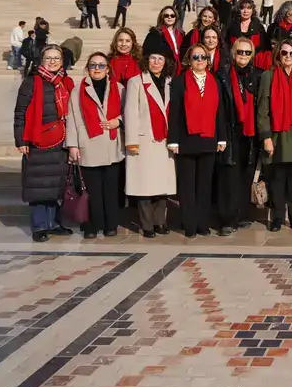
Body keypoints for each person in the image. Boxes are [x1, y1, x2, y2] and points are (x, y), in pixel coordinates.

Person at [14, 44, 76, 242]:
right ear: (41, 60)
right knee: (38, 185)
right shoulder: (31, 82)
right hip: (38, 140)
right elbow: (20, 112)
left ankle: (54, 223)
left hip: (61, 141)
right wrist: (21, 139)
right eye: (48, 58)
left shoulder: (66, 82)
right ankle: (39, 226)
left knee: (55, 185)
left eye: (56, 58)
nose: (52, 61)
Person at [167, 44, 228, 238]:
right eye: (196, 57)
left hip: (209, 138)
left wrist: (222, 137)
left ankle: (203, 223)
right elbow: (174, 113)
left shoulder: (214, 81)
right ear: (189, 60)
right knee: (187, 186)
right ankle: (189, 224)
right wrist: (173, 140)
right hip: (186, 140)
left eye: (203, 57)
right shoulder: (179, 82)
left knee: (204, 185)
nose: (200, 60)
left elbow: (220, 111)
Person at [66, 51, 126, 239]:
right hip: (88, 144)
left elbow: (129, 112)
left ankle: (110, 224)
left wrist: (118, 121)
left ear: (108, 69)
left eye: (101, 65)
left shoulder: (119, 88)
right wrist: (73, 145)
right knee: (92, 190)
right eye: (93, 65)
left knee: (110, 189)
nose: (97, 69)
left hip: (111, 144)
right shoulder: (78, 90)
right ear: (88, 69)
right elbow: (72, 118)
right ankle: (91, 225)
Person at [123, 37, 176, 238]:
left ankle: (160, 222)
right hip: (144, 141)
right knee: (144, 186)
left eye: (160, 59)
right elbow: (130, 112)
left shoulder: (171, 82)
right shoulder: (136, 82)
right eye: (153, 58)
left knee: (162, 185)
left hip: (164, 140)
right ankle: (146, 225)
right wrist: (131, 141)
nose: (156, 62)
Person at [258, 39, 292, 232]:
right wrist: (266, 136)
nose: (288, 57)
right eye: (284, 53)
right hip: (277, 133)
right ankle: (278, 217)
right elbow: (262, 109)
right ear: (278, 54)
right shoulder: (268, 76)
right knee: (277, 177)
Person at [215, 38, 260, 235]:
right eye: (240, 52)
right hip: (230, 129)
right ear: (234, 53)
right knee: (229, 177)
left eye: (247, 52)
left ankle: (243, 214)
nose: (243, 56)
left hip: (250, 133)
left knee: (246, 175)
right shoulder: (223, 75)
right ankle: (228, 219)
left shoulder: (257, 75)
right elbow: (218, 108)